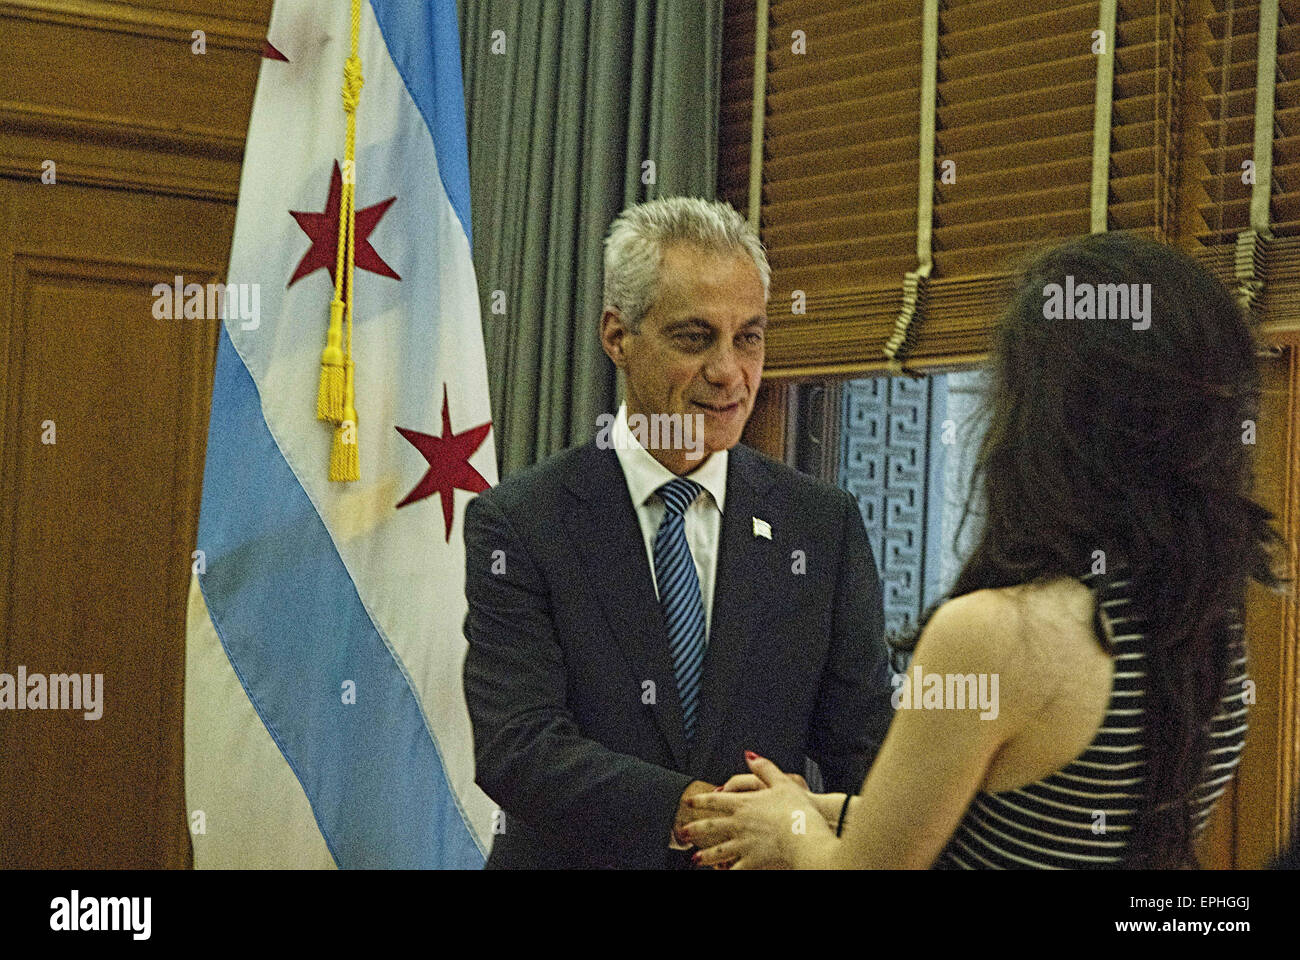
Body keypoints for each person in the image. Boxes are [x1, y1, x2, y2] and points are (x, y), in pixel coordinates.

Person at [684, 232, 1285, 869]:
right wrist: (814, 810)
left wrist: (791, 832)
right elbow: (1033, 821)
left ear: (1049, 416)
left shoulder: (994, 635)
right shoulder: (1208, 624)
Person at [461, 196, 896, 869]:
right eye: (696, 338)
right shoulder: (522, 522)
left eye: (748, 336)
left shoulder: (821, 526)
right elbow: (520, 745)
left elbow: (865, 748)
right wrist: (710, 814)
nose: (729, 372)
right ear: (617, 337)